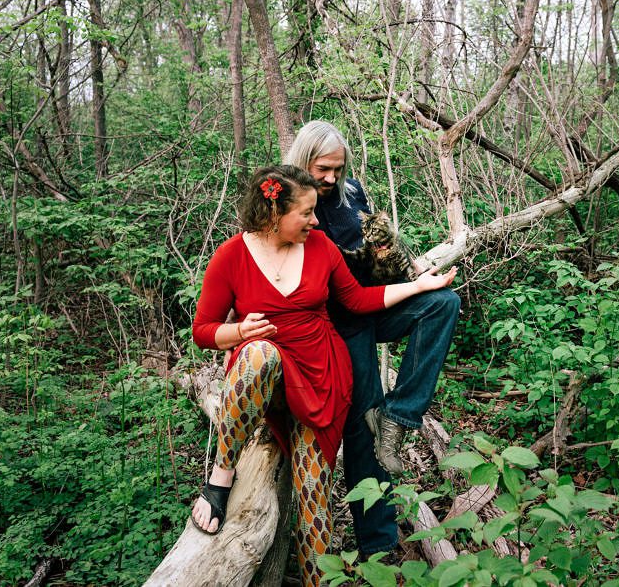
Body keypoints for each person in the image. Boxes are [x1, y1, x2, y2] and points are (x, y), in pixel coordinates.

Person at [190, 165, 456, 586]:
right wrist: (239, 331)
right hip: (266, 378)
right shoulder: (232, 256)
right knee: (259, 353)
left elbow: (359, 299)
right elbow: (203, 331)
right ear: (274, 213)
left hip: (320, 380)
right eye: (307, 213)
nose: (316, 221)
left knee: (316, 505)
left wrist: (420, 287)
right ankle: (219, 478)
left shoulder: (319, 249)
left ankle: (317, 578)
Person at [285, 121, 462, 558]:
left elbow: (384, 246)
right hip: (336, 326)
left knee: (443, 304)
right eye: (323, 169)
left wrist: (417, 272)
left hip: (373, 305)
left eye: (337, 169)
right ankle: (378, 546)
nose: (330, 179)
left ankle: (399, 417)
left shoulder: (352, 191)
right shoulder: (287, 200)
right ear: (303, 158)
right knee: (362, 430)